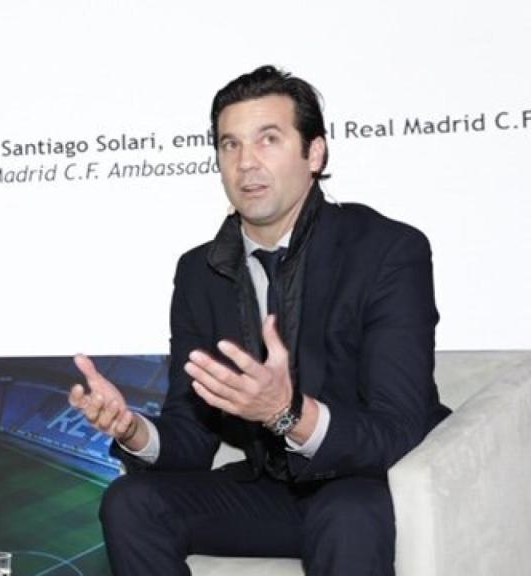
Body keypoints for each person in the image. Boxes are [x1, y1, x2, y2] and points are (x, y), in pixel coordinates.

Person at [69, 66, 450, 575]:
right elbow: (191, 433)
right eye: (230, 145)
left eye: (268, 139)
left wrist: (287, 413)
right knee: (131, 501)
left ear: (314, 153)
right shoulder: (200, 271)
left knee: (348, 512)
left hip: (365, 484)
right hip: (271, 490)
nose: (246, 162)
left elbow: (398, 429)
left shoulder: (386, 250)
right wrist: (135, 430)